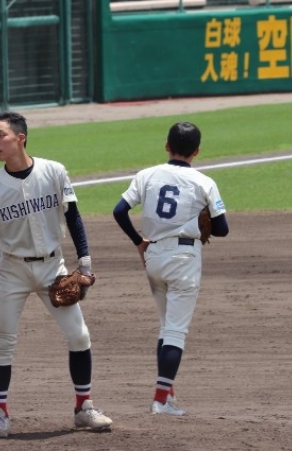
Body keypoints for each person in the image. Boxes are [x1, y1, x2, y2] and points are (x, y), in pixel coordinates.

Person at [0, 111, 113, 438]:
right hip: (13, 270)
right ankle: (0, 414)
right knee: (3, 341)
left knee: (79, 335)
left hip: (53, 267)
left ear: (20, 138)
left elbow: (73, 217)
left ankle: (84, 408)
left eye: (0, 136)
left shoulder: (54, 171)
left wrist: (85, 262)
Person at [112, 121, 229, 416]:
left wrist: (138, 241)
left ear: (167, 146)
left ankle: (167, 394)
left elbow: (120, 211)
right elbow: (222, 229)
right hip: (184, 260)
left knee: (166, 327)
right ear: (197, 151)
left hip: (153, 257)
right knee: (175, 332)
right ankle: (161, 400)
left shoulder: (146, 175)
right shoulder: (204, 182)